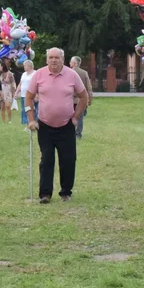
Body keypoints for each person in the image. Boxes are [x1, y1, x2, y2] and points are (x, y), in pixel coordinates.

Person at [26, 48, 88, 204]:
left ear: (63, 59)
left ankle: (66, 192)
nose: (53, 60)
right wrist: (31, 119)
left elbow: (83, 96)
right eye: (51, 57)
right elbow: (28, 97)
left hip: (66, 125)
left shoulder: (72, 75)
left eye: (57, 57)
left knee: (68, 160)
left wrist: (76, 117)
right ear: (47, 59)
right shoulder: (38, 74)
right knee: (46, 160)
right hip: (44, 126)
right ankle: (45, 194)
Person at [69, 56, 94, 139]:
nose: (69, 63)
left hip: (70, 100)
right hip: (81, 100)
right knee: (80, 118)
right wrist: (90, 98)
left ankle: (70, 133)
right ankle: (78, 134)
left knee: (69, 117)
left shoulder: (69, 73)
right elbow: (89, 87)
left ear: (74, 63)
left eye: (71, 61)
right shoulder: (84, 73)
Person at [19, 60, 36, 130]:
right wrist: (17, 92)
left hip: (31, 95)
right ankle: (27, 124)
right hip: (23, 95)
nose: (24, 67)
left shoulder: (35, 73)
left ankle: (33, 123)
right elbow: (20, 83)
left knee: (32, 109)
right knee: (25, 110)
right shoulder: (23, 74)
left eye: (25, 65)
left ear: (29, 66)